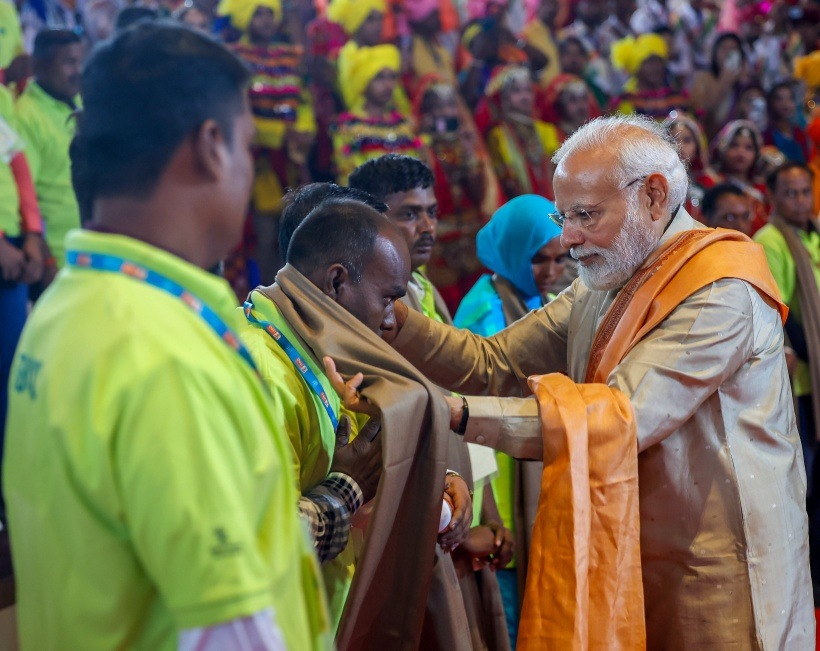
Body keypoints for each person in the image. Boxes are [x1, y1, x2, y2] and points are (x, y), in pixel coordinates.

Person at [383, 115, 812, 647]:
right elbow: (493, 362)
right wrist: (391, 320)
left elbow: (621, 416)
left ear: (654, 197)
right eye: (564, 217)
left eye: (585, 215)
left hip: (719, 561)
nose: (567, 239)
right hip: (632, 545)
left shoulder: (720, 288)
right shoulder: (608, 278)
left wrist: (456, 414)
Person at [4, 23, 331, 650]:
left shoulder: (66, 308)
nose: (246, 169)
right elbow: (231, 630)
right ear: (211, 147)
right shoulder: (163, 352)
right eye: (246, 146)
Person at [239, 195, 472, 631]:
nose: (389, 321)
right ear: (337, 282)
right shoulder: (263, 370)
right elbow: (259, 546)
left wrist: (439, 479)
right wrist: (345, 488)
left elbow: (367, 445)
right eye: (387, 299)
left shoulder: (320, 343)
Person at [349, 154, 514, 649]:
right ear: (372, 220)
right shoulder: (367, 308)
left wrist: (487, 511)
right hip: (428, 519)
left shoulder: (424, 291)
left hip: (456, 500)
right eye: (408, 213)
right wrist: (451, 522)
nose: (426, 226)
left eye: (432, 211)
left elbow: (457, 401)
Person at [453, 194, 567, 647]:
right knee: (508, 620)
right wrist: (491, 514)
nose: (553, 271)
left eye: (561, 258)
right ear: (513, 252)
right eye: (539, 259)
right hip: (495, 490)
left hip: (524, 475)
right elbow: (471, 416)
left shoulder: (532, 297)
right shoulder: (486, 314)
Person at [218, 0, 316, 286]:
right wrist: (278, 135)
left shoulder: (290, 55)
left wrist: (304, 130)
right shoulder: (235, 57)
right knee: (264, 233)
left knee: (293, 228)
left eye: (269, 13)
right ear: (244, 15)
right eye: (258, 13)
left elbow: (304, 99)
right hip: (257, 160)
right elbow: (237, 111)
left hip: (292, 158)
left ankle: (295, 291)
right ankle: (265, 292)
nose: (265, 20)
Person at [414, 75, 499, 310]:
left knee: (482, 304)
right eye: (438, 107)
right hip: (440, 241)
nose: (446, 112)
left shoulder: (465, 145)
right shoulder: (420, 148)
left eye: (451, 105)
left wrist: (468, 154)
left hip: (471, 237)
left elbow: (480, 193)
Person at [15, 28, 83, 287]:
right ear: (39, 65)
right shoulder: (26, 116)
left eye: (80, 60)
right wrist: (46, 262)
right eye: (68, 62)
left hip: (86, 253)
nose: (77, 70)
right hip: (56, 259)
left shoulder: (76, 101)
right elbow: (26, 195)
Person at [331, 44, 426, 184]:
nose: (388, 85)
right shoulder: (348, 126)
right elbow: (349, 175)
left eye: (392, 77)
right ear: (363, 81)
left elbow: (420, 167)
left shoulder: (405, 124)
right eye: (379, 78)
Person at [484, 65, 562, 201]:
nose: (525, 96)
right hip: (520, 202)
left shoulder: (547, 130)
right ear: (504, 97)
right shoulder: (499, 134)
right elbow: (506, 180)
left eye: (528, 90)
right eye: (516, 91)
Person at [609, 33, 688, 120]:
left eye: (659, 61)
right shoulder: (626, 102)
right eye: (649, 63)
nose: (655, 67)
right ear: (636, 68)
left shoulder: (677, 95)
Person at [710, 119, 769, 234]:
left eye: (748, 147)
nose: (741, 153)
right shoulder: (713, 184)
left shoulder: (762, 190)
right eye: (734, 145)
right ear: (722, 148)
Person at [690, 32, 750, 138]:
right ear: (715, 53)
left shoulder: (746, 83)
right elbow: (702, 113)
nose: (728, 53)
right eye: (724, 48)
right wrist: (724, 82)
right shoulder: (704, 78)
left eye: (733, 49)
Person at [663, 112, 719, 222]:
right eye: (672, 140)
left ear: (697, 146)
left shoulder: (708, 182)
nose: (679, 146)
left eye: (687, 140)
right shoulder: (655, 181)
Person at [535, 73, 599, 142]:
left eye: (584, 98)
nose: (581, 105)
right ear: (560, 106)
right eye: (573, 100)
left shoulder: (596, 132)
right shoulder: (553, 136)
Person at [764, 81, 810, 164]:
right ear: (771, 103)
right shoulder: (767, 134)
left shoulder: (799, 132)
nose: (785, 104)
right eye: (779, 99)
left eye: (789, 98)